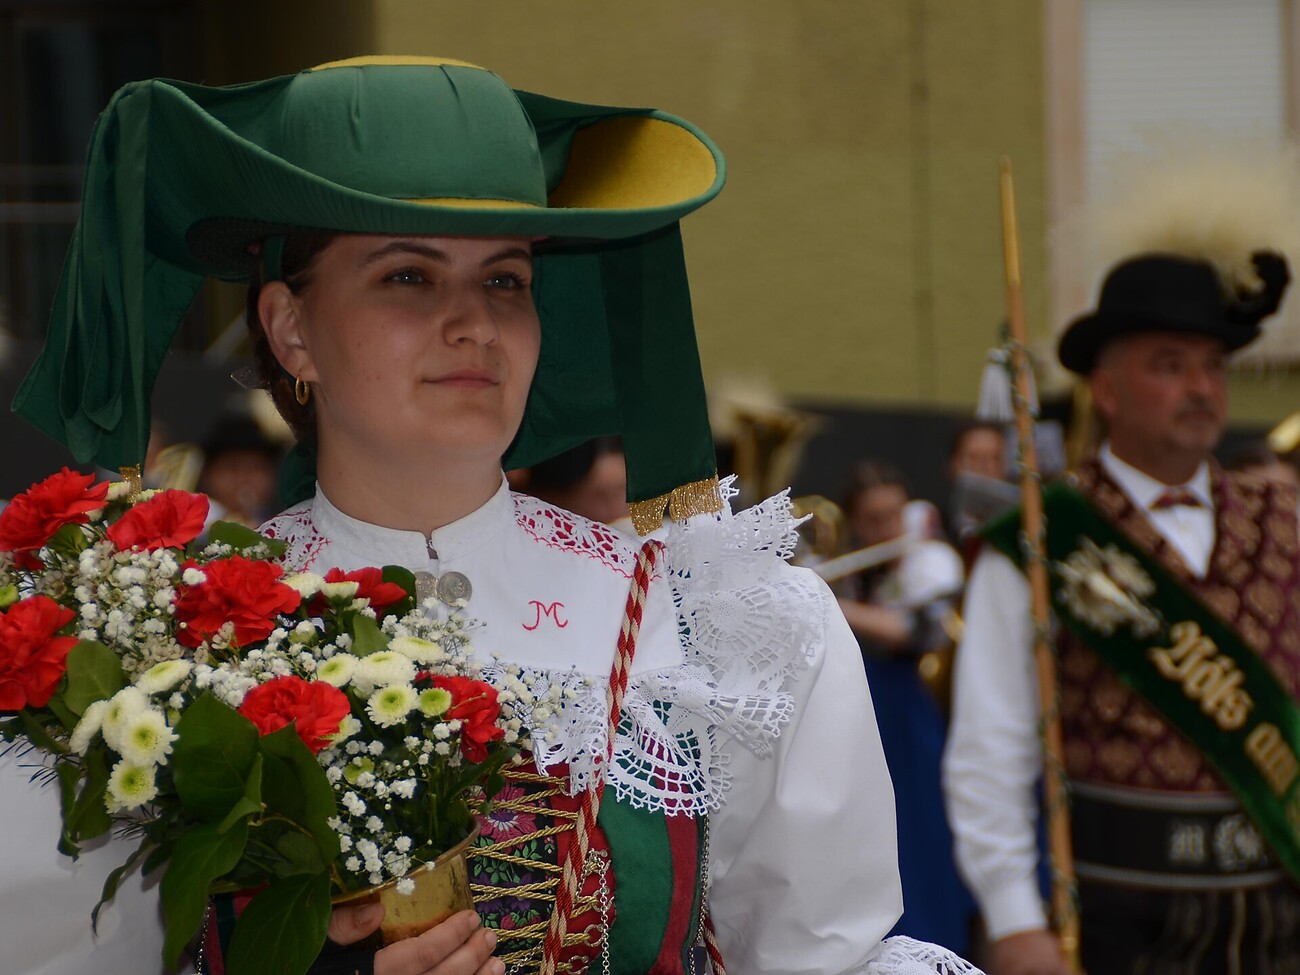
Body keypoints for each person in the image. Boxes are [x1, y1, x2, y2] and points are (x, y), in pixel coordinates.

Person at [10, 57, 982, 975]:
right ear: (289, 327)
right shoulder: (160, 644)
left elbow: (825, 953)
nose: (475, 321)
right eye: (408, 274)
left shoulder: (717, 625)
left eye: (506, 280)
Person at [943, 249, 1300, 975]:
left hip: (1280, 913)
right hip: (1119, 920)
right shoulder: (1041, 534)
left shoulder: (1287, 520)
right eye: (1170, 365)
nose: (1202, 388)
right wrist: (1014, 918)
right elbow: (991, 743)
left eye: (1214, 366)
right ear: (1106, 390)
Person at [836, 461, 974, 955]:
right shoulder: (848, 567)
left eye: (894, 515)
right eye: (873, 519)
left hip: (909, 721)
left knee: (920, 838)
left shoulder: (928, 561)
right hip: (856, 720)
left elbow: (913, 630)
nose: (887, 529)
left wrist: (825, 600)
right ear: (855, 523)